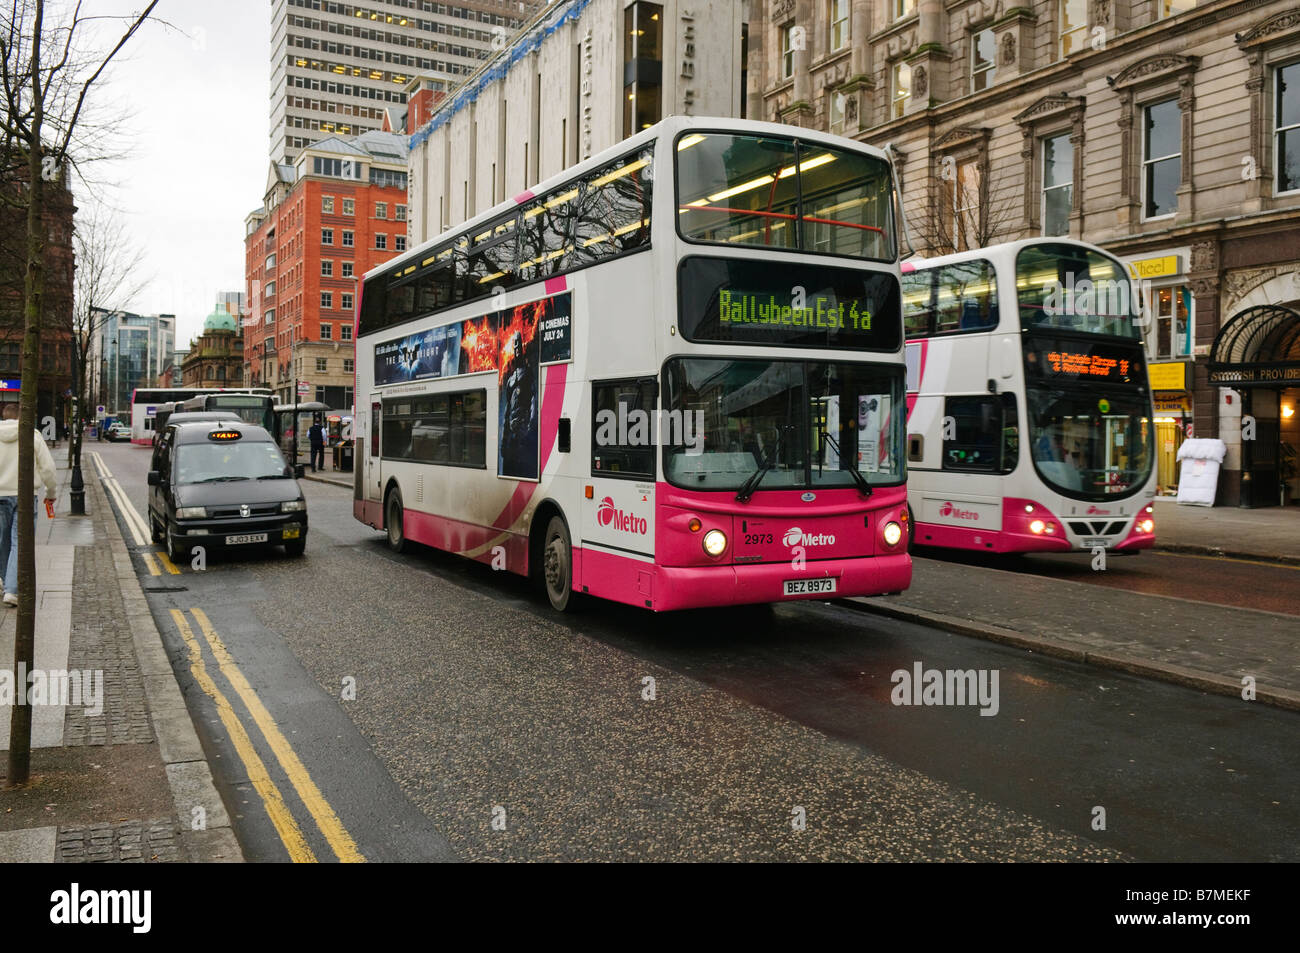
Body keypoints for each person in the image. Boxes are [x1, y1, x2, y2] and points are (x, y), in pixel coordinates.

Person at [0, 403, 59, 608]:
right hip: (25, 495)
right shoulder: (32, 435)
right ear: (23, 417)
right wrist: (51, 493)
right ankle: (12, 590)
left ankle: (4, 581)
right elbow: (48, 469)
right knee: (20, 542)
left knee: (2, 541)